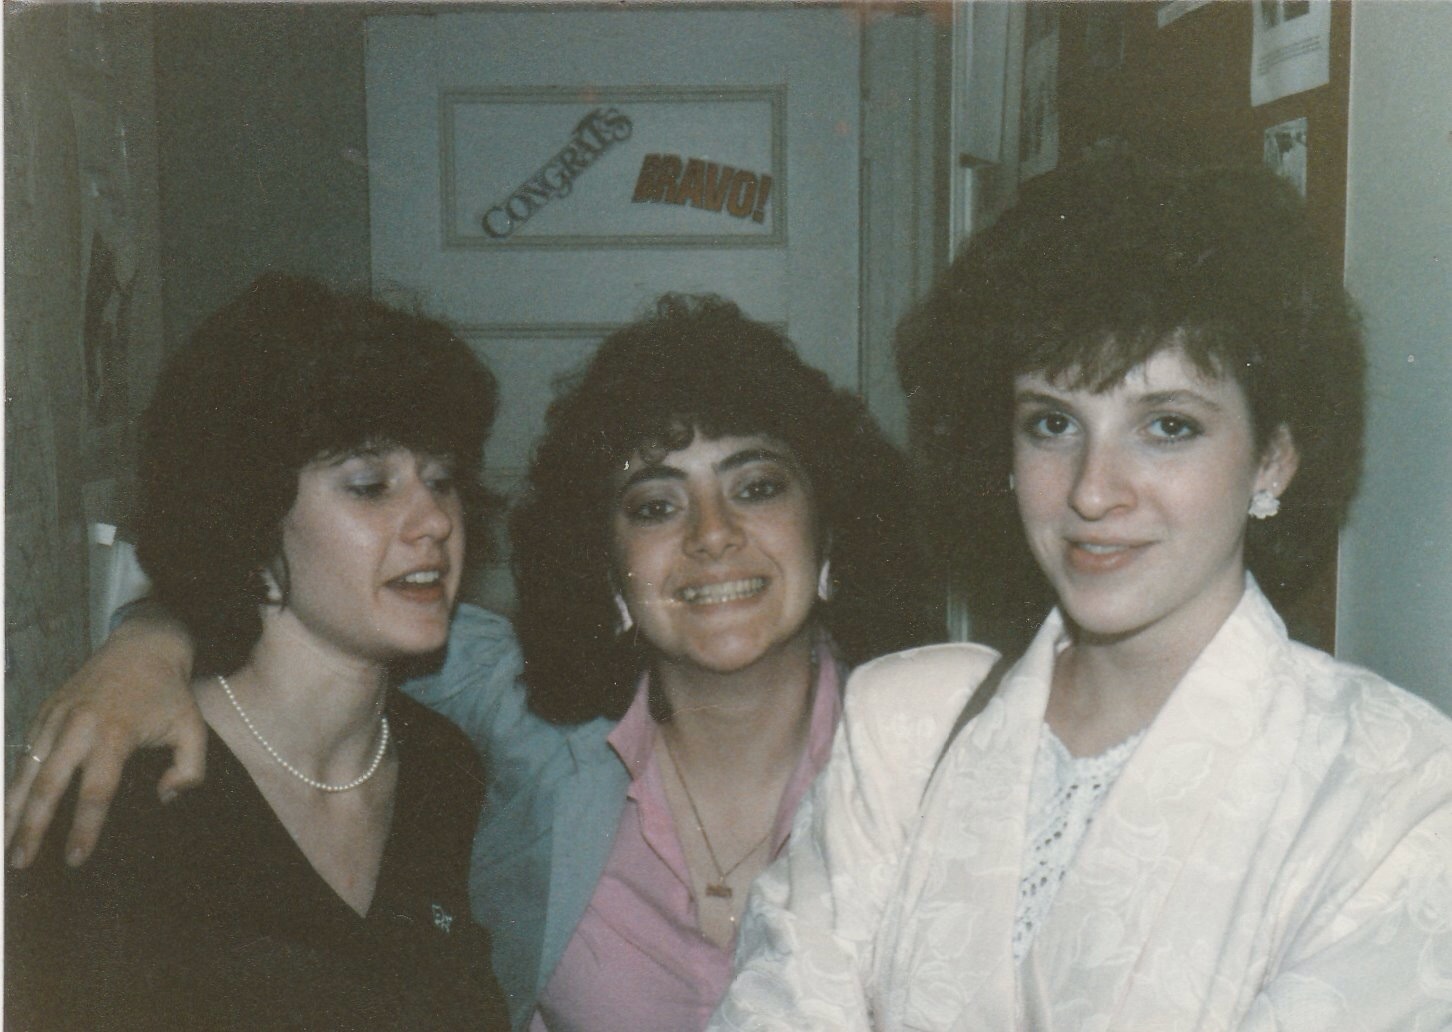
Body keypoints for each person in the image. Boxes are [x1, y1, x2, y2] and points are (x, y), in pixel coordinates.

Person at [7, 294, 939, 1031]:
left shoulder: (931, 760)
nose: (713, 535)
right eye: (655, 505)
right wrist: (146, 642)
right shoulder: (524, 736)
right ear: (603, 566)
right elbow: (269, 610)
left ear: (833, 529)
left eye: (758, 487)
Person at [709, 161, 1452, 1030]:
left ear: (1273, 460)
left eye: (1167, 427)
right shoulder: (905, 728)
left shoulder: (1390, 790)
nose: (1093, 491)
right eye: (1053, 424)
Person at [5, 274, 511, 1030]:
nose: (434, 519)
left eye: (441, 479)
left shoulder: (443, 767)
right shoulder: (127, 790)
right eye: (370, 485)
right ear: (249, 516)